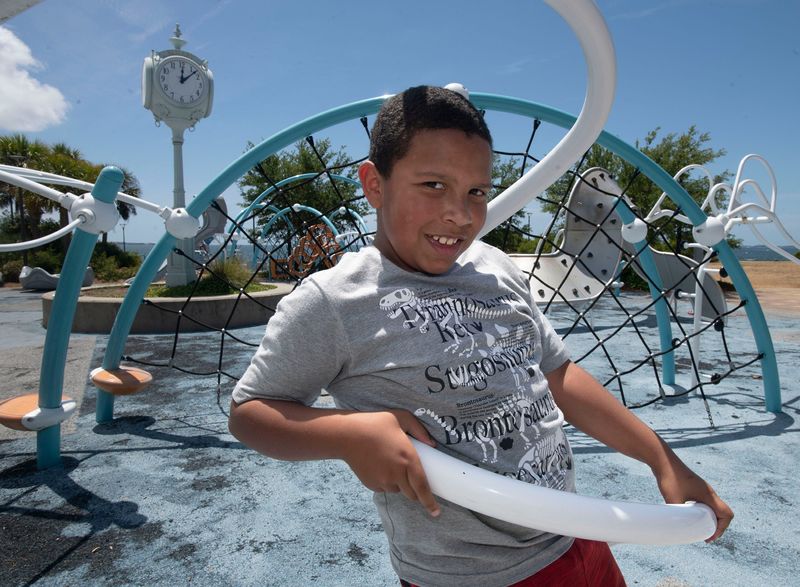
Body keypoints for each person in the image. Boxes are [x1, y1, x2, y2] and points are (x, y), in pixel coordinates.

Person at [228, 85, 733, 587]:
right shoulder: (336, 301)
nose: (461, 213)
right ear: (374, 184)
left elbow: (557, 375)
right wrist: (347, 433)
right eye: (433, 185)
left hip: (574, 531)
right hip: (471, 576)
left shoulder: (493, 266)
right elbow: (251, 414)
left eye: (477, 191)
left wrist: (661, 458)